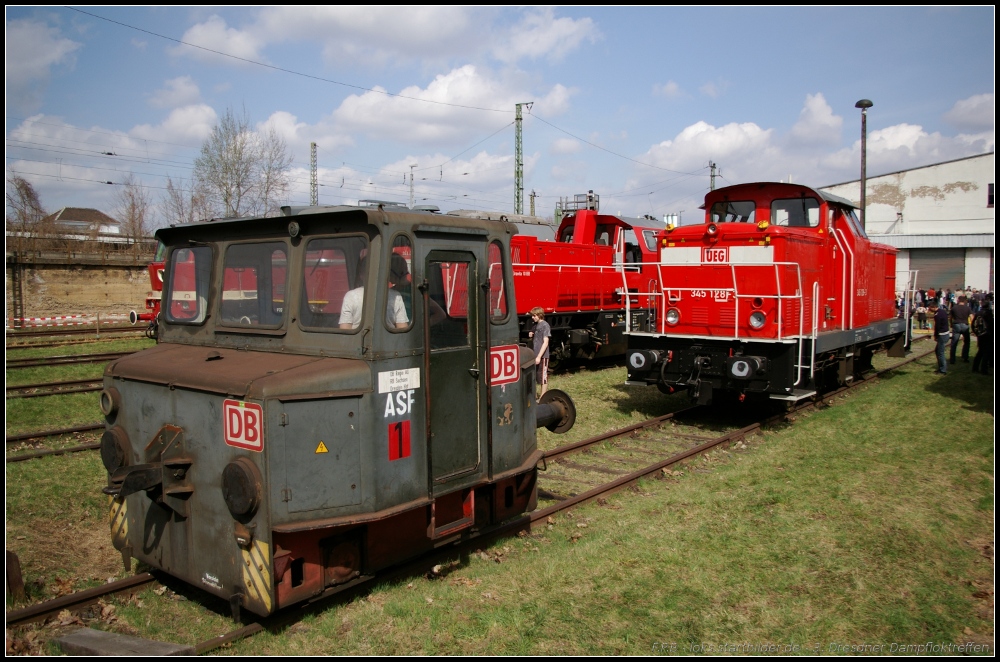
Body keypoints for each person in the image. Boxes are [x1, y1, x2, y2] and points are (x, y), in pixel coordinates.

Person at [339, 257, 408, 330]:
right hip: (388, 340)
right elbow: (402, 328)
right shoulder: (396, 296)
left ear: (361, 275)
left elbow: (345, 329)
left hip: (357, 340)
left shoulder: (350, 296)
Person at [528, 306, 551, 399]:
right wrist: (531, 334)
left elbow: (545, 342)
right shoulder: (536, 325)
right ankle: (536, 396)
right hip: (535, 354)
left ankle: (543, 397)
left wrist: (539, 356)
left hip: (542, 356)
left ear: (539, 315)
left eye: (534, 316)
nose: (532, 317)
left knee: (543, 377)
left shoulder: (545, 325)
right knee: (536, 376)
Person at [971, 300, 993, 375]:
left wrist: (976, 333)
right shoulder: (988, 313)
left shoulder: (978, 313)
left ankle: (975, 367)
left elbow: (973, 324)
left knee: (980, 351)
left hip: (980, 335)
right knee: (987, 352)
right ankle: (984, 369)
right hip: (988, 335)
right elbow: (991, 325)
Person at [949, 295, 972, 363]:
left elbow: (950, 317)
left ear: (958, 300)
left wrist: (951, 324)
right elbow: (971, 317)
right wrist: (972, 326)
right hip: (965, 325)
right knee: (967, 342)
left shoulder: (954, 308)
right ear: (965, 301)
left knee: (954, 343)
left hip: (956, 324)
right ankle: (965, 357)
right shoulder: (968, 308)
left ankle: (952, 359)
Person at [931, 302, 950, 374]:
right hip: (946, 333)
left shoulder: (937, 315)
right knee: (938, 351)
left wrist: (935, 335)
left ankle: (943, 370)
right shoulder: (943, 311)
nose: (930, 310)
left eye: (930, 308)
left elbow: (937, 326)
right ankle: (941, 367)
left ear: (933, 307)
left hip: (942, 334)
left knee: (940, 353)